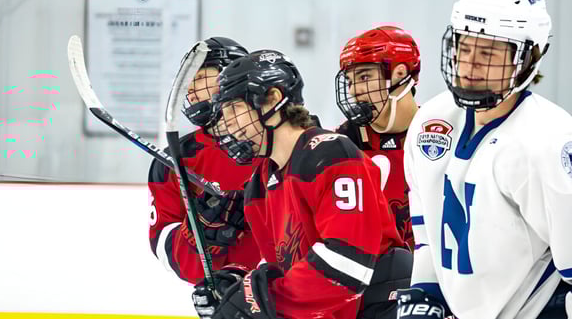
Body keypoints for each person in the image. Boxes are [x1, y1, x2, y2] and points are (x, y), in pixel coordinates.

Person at [397, 0, 572, 318]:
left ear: (526, 59)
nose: (470, 65)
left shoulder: (547, 139)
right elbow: (428, 232)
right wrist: (425, 292)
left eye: (488, 54)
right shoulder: (431, 121)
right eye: (463, 48)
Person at [194, 49, 407, 319]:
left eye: (234, 108)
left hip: (382, 308)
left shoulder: (330, 154)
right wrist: (238, 283)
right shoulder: (259, 187)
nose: (227, 124)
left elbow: (348, 264)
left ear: (273, 99)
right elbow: (287, 268)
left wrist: (261, 300)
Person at [147, 37, 261, 285]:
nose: (190, 89)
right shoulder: (174, 160)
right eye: (188, 82)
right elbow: (166, 249)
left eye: (200, 78)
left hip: (283, 292)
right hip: (220, 296)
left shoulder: (274, 144)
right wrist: (198, 231)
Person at [335, 26, 421, 251]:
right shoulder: (343, 141)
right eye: (351, 81)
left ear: (400, 73)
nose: (355, 91)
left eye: (364, 77)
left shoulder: (440, 133)